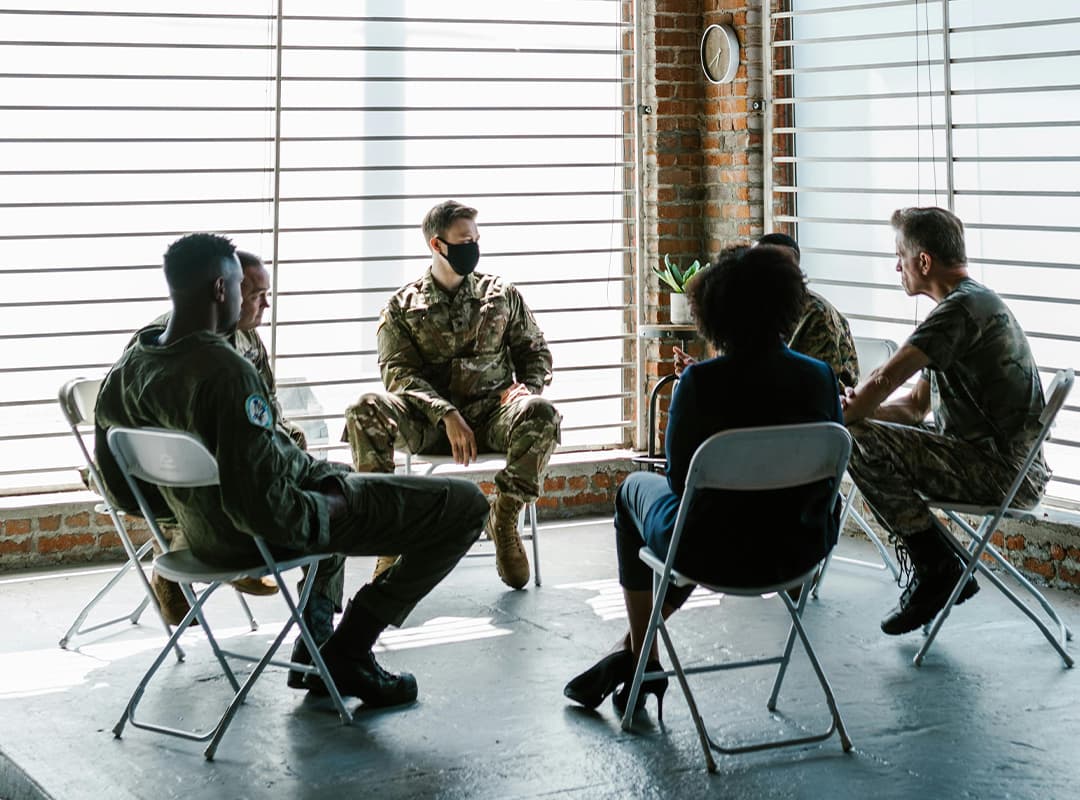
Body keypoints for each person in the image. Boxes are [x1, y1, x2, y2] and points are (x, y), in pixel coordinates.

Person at [95, 233, 490, 707]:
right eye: (245, 288)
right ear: (222, 290)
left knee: (328, 474)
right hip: (258, 533)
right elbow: (263, 509)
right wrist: (332, 504)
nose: (251, 300)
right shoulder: (225, 372)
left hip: (200, 534)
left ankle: (314, 654)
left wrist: (193, 503)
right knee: (467, 506)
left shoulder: (128, 369)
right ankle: (350, 649)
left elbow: (119, 489)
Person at [564, 245, 844, 717]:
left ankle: (642, 658)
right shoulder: (819, 377)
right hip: (796, 548)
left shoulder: (699, 384)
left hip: (711, 552)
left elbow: (678, 480)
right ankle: (631, 651)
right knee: (716, 515)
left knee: (637, 495)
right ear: (787, 304)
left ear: (712, 313)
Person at [841, 207, 1049, 635]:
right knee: (860, 431)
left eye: (900, 256)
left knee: (853, 440)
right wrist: (858, 411)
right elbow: (915, 408)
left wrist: (845, 412)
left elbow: (883, 379)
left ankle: (937, 566)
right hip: (1006, 465)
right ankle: (938, 563)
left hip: (999, 473)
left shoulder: (958, 311)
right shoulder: (971, 302)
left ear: (924, 261)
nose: (895, 266)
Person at [343, 200, 561, 590]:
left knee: (541, 411)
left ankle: (505, 517)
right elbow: (398, 374)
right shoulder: (401, 307)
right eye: (464, 240)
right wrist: (445, 412)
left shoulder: (501, 294)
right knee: (364, 409)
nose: (473, 247)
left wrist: (526, 388)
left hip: (493, 416)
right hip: (430, 424)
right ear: (437, 245)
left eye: (476, 239)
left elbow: (536, 353)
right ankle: (390, 537)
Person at [673, 232, 860, 390]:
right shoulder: (750, 310)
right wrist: (705, 375)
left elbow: (814, 389)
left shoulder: (817, 315)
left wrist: (705, 381)